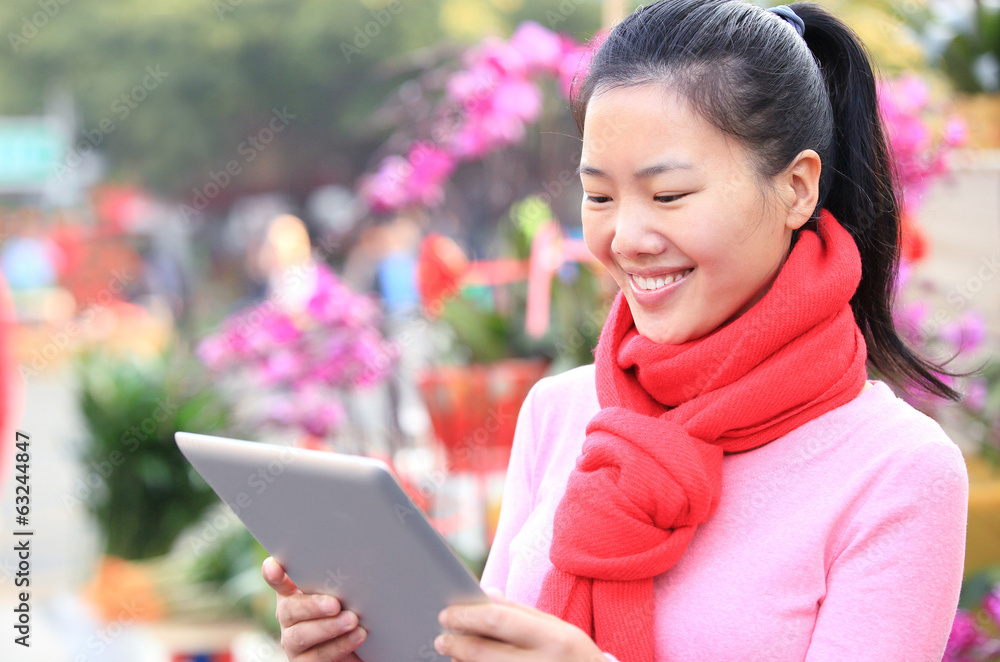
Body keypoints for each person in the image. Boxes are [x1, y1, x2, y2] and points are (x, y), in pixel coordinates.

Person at [261, 1, 974, 660]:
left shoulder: (899, 471)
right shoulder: (562, 413)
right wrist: (365, 649)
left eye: (668, 195)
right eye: (598, 195)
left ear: (796, 188)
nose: (626, 237)